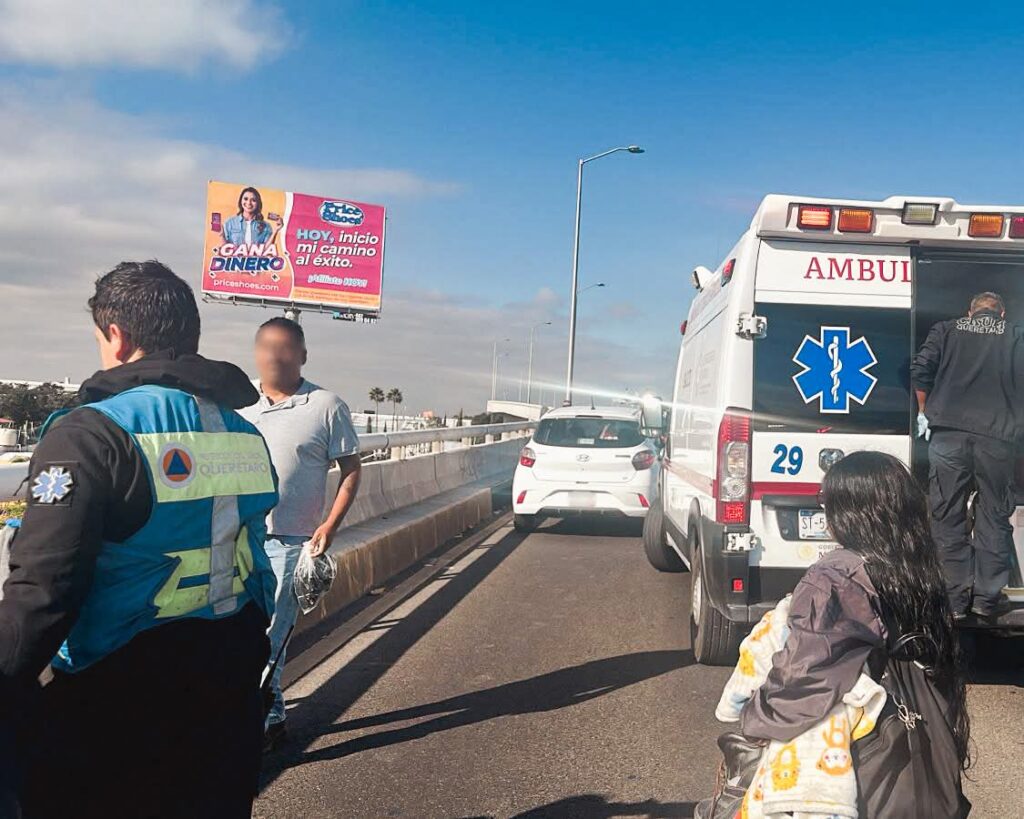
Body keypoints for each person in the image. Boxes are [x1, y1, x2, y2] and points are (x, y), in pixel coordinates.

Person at [0, 261, 279, 818]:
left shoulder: (90, 434)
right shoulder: (245, 433)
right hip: (229, 682)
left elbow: (44, 589)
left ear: (117, 336)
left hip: (117, 700)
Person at [738, 452, 970, 816]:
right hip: (925, 751)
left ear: (848, 510)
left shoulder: (836, 578)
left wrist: (755, 718)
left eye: (825, 501)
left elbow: (805, 678)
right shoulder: (921, 568)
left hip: (865, 764)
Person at [239, 317, 362, 750]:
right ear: (256, 352)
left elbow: (351, 471)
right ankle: (262, 713)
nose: (276, 354)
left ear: (303, 355)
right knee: (238, 632)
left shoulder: (326, 405)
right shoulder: (238, 406)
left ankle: (262, 720)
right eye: (267, 346)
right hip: (238, 539)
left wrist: (329, 525)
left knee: (271, 635)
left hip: (293, 542)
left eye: (286, 347)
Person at [911, 291, 1024, 619]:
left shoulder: (946, 330)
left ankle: (955, 601)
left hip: (948, 435)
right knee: (994, 515)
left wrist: (924, 412)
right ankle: (987, 600)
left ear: (969, 312)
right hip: (998, 438)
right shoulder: (1015, 334)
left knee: (947, 516)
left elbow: (920, 371)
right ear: (1000, 314)